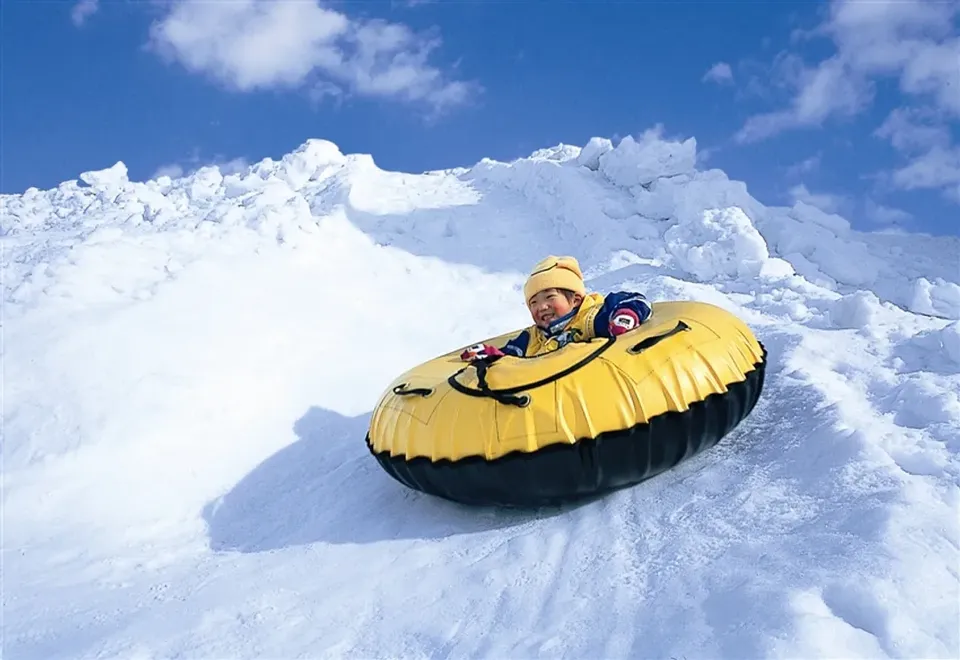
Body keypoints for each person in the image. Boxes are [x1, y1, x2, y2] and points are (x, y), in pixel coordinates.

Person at [460, 255, 652, 361]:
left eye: (550, 297)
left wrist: (625, 316)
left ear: (575, 299)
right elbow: (510, 356)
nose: (541, 307)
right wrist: (491, 355)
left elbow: (633, 300)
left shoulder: (591, 318)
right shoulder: (532, 338)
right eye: (533, 303)